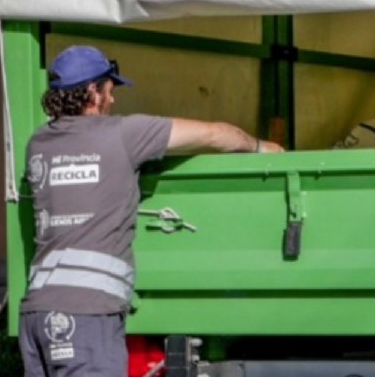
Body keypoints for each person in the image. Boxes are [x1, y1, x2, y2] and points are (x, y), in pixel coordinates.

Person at [18, 45, 283, 376]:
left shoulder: (38, 143)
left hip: (36, 314)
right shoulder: (123, 134)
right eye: (110, 91)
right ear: (92, 91)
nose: (113, 101)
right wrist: (261, 147)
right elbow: (214, 134)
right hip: (87, 316)